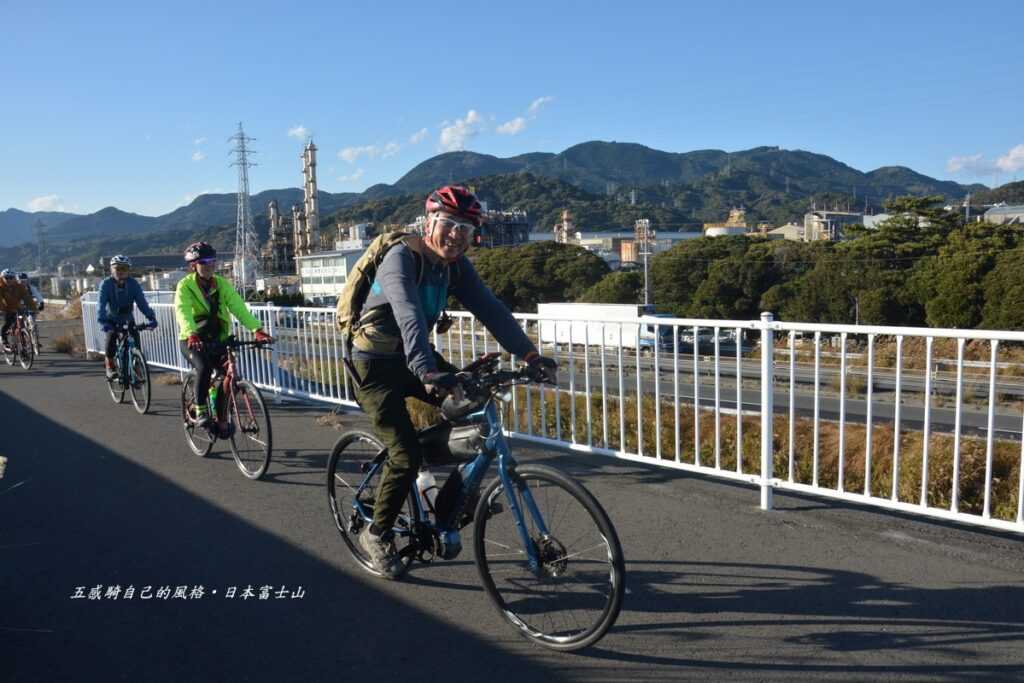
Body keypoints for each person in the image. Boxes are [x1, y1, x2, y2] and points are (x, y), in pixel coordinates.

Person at [348, 185, 557, 578]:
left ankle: (454, 500)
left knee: (470, 407)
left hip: (414, 358)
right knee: (405, 454)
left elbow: (492, 310)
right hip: (375, 366)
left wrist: (529, 355)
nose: (456, 235)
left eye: (465, 227)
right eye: (448, 223)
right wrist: (428, 371)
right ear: (429, 222)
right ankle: (376, 534)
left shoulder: (455, 267)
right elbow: (409, 316)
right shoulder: (401, 259)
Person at [174, 242, 272, 430]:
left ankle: (221, 418)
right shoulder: (184, 286)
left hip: (218, 338)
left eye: (212, 261)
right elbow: (182, 311)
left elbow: (238, 307)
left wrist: (256, 330)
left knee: (228, 374)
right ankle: (200, 408)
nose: (210, 265)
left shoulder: (221, 284)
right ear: (193, 265)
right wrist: (191, 333)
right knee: (203, 368)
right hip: (192, 339)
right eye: (204, 262)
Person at [97, 255, 158, 380]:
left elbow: (142, 302)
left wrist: (151, 317)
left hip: (128, 318)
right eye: (117, 268)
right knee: (111, 342)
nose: (120, 271)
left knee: (135, 343)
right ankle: (110, 366)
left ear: (128, 270)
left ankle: (136, 365)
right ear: (111, 270)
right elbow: (101, 305)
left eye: (124, 268)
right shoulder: (106, 284)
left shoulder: (133, 284)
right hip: (111, 319)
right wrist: (103, 322)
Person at [0, 269, 38, 352]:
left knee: (21, 325)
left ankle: (22, 345)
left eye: (11, 278)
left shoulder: (19, 286)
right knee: (7, 323)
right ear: (2, 278)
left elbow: (27, 297)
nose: (9, 280)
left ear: (14, 278)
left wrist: (34, 308)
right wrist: (2, 309)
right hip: (6, 308)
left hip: (17, 307)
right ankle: (4, 340)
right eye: (6, 278)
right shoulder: (1, 287)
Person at [16, 273, 44, 354]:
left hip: (29, 308)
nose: (23, 283)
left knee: (33, 324)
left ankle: (35, 341)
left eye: (25, 281)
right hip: (19, 309)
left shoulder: (30, 288)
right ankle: (23, 341)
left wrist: (41, 303)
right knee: (20, 325)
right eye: (21, 281)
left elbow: (38, 295)